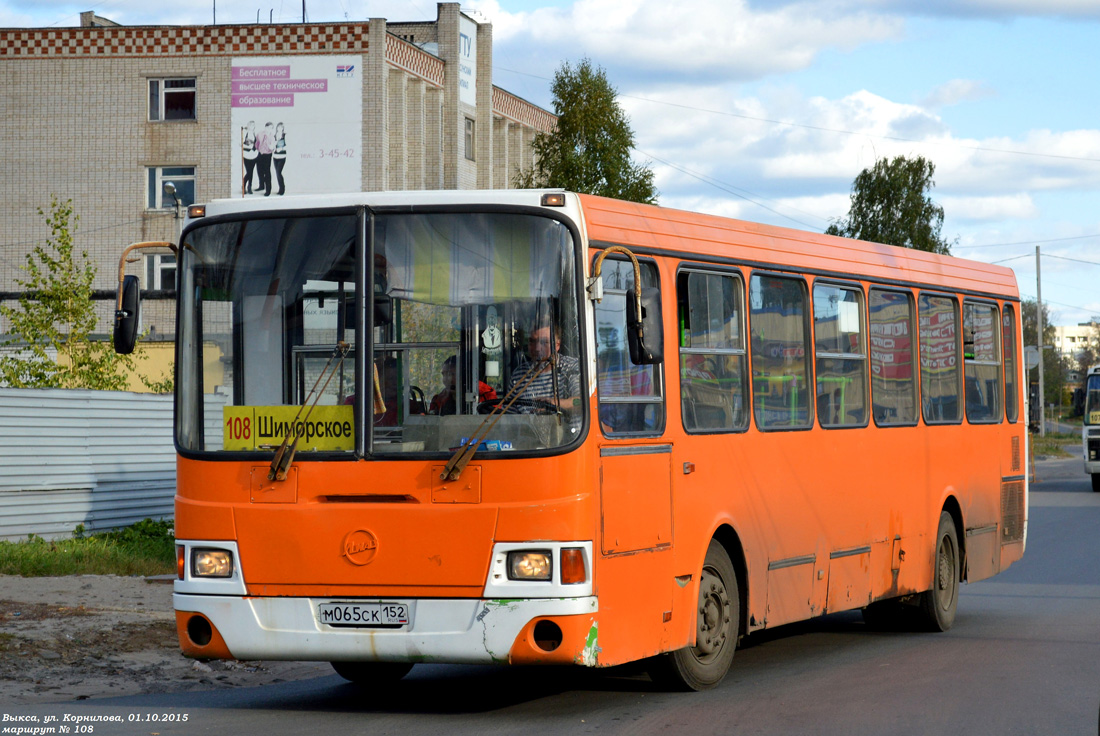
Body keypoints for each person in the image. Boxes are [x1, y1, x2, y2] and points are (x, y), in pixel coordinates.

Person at [511, 322, 581, 411]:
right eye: (532, 341)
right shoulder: (519, 375)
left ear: (557, 345)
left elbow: (581, 401)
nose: (537, 348)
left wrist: (554, 403)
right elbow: (509, 413)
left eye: (544, 342)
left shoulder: (571, 367)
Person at [429, 355, 497, 415]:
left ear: (464, 375)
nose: (446, 379)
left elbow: (494, 419)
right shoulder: (439, 399)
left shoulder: (485, 395)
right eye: (444, 374)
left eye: (451, 374)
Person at [255, 122, 276, 197]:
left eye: (271, 128)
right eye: (268, 127)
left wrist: (269, 145)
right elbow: (256, 142)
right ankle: (261, 186)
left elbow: (272, 147)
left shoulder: (272, 137)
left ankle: (268, 190)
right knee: (259, 170)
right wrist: (257, 149)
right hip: (260, 154)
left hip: (267, 155)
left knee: (267, 172)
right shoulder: (260, 134)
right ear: (265, 127)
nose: (269, 129)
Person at [241, 121, 258, 195]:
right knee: (249, 172)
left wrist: (255, 146)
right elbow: (240, 145)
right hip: (246, 155)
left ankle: (249, 187)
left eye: (253, 125)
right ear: (248, 126)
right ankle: (244, 186)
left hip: (254, 155)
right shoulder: (244, 133)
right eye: (251, 125)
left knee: (251, 172)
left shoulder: (254, 134)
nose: (252, 126)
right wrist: (249, 146)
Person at [273, 122, 287, 195]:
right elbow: (272, 146)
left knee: (279, 172)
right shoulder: (274, 136)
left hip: (282, 157)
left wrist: (280, 148)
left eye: (281, 127)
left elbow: (287, 146)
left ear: (283, 128)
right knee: (277, 173)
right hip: (275, 157)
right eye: (278, 127)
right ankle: (280, 188)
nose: (280, 128)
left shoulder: (285, 135)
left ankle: (282, 189)